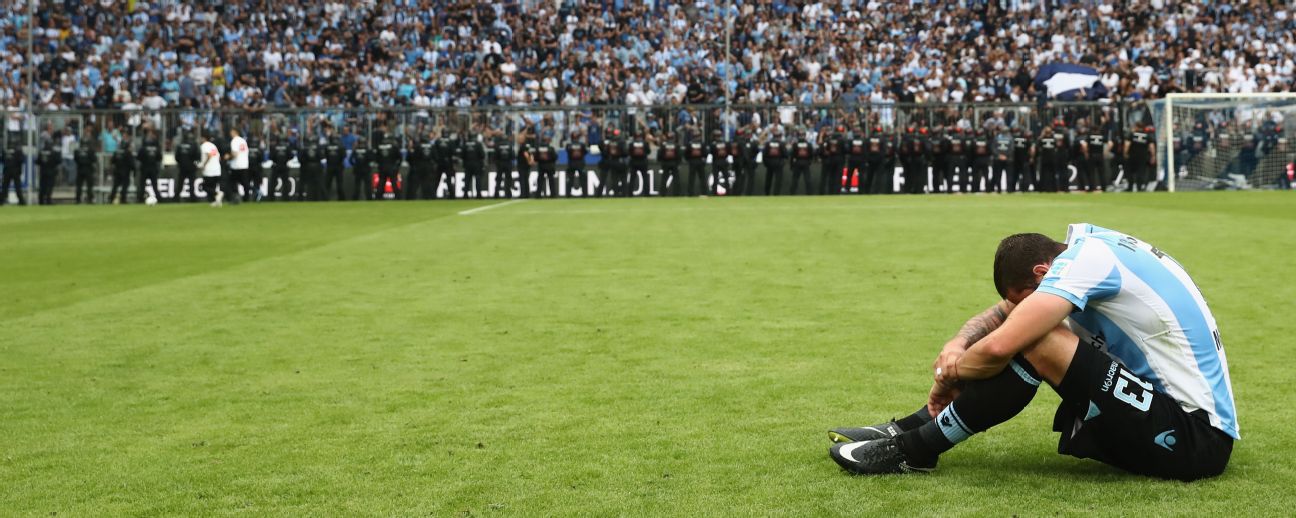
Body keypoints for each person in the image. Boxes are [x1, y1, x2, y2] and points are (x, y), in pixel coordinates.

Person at [828, 224, 1238, 482]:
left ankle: (916, 450)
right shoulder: (1085, 252)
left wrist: (950, 373)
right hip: (1168, 416)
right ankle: (913, 428)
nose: (1019, 307)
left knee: (1036, 338)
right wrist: (956, 345)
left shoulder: (1087, 261)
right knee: (1031, 328)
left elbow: (1004, 342)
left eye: (1024, 298)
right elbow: (1000, 315)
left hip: (1196, 439)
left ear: (1042, 273)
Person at [136, 128, 163, 203]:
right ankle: (159, 199)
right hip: (153, 168)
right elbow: (159, 158)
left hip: (145, 168)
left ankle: (140, 199)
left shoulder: (143, 148)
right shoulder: (156, 148)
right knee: (154, 185)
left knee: (142, 185)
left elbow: (139, 157)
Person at [1125, 126, 1155, 192]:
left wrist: (1125, 153)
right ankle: (1139, 188)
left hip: (1132, 156)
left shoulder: (1132, 134)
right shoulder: (1147, 136)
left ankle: (1130, 187)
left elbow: (1127, 144)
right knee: (1141, 172)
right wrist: (1153, 156)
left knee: (1130, 173)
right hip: (1143, 157)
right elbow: (1151, 146)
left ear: (1136, 127)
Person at [199, 133, 224, 207]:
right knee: (213, 186)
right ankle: (216, 201)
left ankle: (217, 193)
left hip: (209, 169)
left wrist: (204, 165)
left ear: (204, 138)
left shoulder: (204, 146)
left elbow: (209, 155)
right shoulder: (213, 146)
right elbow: (219, 157)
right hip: (217, 169)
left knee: (204, 186)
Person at [108, 135, 134, 204]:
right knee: (125, 186)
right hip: (125, 172)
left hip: (117, 171)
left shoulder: (117, 152)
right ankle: (123, 199)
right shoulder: (127, 153)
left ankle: (111, 199)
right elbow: (131, 163)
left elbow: (112, 161)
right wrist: (133, 170)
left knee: (115, 186)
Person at [461, 131, 488, 198]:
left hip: (467, 164)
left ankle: (465, 195)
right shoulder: (478, 144)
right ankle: (478, 195)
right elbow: (482, 155)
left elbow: (462, 155)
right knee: (478, 179)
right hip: (477, 164)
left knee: (467, 180)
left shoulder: (465, 144)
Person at [174, 132, 199, 202]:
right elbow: (197, 156)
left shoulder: (180, 145)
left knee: (180, 183)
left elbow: (176, 157)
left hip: (182, 167)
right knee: (191, 184)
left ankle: (176, 198)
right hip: (191, 167)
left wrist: (181, 163)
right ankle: (192, 198)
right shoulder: (194, 145)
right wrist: (194, 163)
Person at [324, 127, 347, 201]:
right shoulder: (340, 146)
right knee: (340, 183)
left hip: (330, 166)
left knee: (327, 184)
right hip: (339, 167)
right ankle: (341, 199)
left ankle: (325, 198)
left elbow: (325, 155)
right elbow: (344, 156)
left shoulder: (327, 146)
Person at [74, 132, 97, 204]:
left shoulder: (77, 150)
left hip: (80, 169)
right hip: (88, 169)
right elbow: (94, 159)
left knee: (79, 186)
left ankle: (78, 199)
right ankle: (90, 199)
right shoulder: (90, 150)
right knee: (89, 185)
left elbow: (76, 159)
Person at [789, 129, 815, 195]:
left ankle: (792, 193)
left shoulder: (795, 144)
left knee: (795, 180)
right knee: (807, 180)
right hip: (805, 162)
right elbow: (812, 154)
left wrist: (791, 165)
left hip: (797, 162)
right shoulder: (808, 144)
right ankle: (809, 194)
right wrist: (809, 162)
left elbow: (792, 155)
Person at [299, 135, 324, 201]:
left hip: (307, 167)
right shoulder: (318, 147)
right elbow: (322, 156)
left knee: (309, 184)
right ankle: (319, 198)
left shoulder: (305, 148)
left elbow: (300, 159)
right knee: (318, 183)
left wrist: (305, 163)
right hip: (317, 167)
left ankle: (308, 198)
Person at [227, 129, 250, 203]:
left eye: (231, 132)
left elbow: (235, 154)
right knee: (245, 183)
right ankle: (246, 198)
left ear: (234, 132)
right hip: (244, 164)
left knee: (232, 182)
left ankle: (235, 197)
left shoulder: (234, 141)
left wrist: (228, 157)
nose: (230, 134)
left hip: (236, 165)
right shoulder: (243, 140)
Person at [0, 136, 25, 205]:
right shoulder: (18, 150)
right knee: (17, 187)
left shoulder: (6, 150)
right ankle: (21, 201)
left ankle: (1, 201)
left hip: (7, 170)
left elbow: (2, 159)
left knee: (5, 187)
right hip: (15, 171)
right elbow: (22, 160)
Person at [763, 128, 787, 196]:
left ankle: (767, 193)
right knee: (778, 181)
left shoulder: (768, 143)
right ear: (779, 136)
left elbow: (764, 154)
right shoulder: (781, 143)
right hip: (778, 163)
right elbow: (785, 154)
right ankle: (776, 194)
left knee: (768, 180)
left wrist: (766, 163)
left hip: (769, 163)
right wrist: (782, 163)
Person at [655, 131, 681, 196]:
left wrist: (661, 162)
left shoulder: (663, 145)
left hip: (665, 163)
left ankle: (663, 194)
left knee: (664, 179)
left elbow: (659, 155)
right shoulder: (676, 145)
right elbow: (679, 155)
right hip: (674, 163)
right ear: (673, 137)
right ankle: (676, 193)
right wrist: (678, 163)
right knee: (676, 179)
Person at [269, 137, 293, 201]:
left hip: (276, 166)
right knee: (285, 183)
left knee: (273, 183)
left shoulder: (274, 147)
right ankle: (285, 198)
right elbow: (291, 156)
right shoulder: (287, 147)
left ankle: (271, 198)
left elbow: (270, 157)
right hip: (284, 166)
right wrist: (285, 160)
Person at [566, 131, 589, 198]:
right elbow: (585, 152)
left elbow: (568, 152)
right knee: (583, 180)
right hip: (580, 163)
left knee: (570, 180)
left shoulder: (569, 145)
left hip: (572, 163)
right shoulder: (582, 145)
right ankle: (585, 195)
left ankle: (568, 195)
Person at [37, 139, 60, 205]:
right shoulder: (53, 152)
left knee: (42, 186)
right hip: (51, 171)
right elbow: (58, 161)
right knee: (50, 186)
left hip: (43, 171)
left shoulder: (41, 152)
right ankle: (48, 200)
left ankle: (41, 200)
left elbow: (38, 161)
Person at [1012, 127, 1034, 193]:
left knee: (1015, 175)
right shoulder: (1026, 139)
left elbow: (1012, 148)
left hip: (1016, 159)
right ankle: (1025, 189)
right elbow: (1031, 150)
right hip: (1025, 159)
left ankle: (1012, 188)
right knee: (1026, 175)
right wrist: (1031, 157)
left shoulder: (1014, 139)